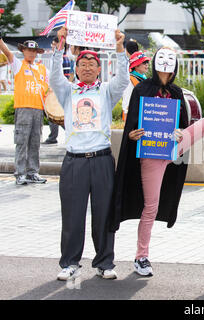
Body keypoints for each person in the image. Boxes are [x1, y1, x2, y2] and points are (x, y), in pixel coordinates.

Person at [110, 46, 204, 277]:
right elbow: (131, 125)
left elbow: (182, 123)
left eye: (169, 59)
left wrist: (181, 132)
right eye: (161, 58)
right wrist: (132, 134)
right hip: (150, 153)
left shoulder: (177, 92)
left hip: (171, 145)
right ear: (154, 63)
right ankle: (141, 257)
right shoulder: (141, 89)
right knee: (150, 207)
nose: (165, 63)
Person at [50, 26, 129, 281]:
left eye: (91, 64)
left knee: (104, 213)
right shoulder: (68, 91)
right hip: (74, 161)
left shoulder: (106, 91)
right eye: (82, 63)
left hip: (102, 160)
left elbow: (123, 80)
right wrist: (59, 46)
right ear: (75, 68)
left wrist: (119, 49)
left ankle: (105, 262)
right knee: (72, 215)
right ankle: (70, 262)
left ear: (98, 69)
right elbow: (53, 78)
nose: (86, 67)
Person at [0, 20, 49, 185]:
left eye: (34, 50)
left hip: (38, 109)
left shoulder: (42, 69)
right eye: (28, 50)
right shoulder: (18, 65)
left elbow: (49, 89)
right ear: (23, 51)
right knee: (21, 142)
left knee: (35, 142)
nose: (31, 53)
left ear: (37, 53)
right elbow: (7, 52)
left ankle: (32, 172)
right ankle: (20, 173)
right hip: (23, 109)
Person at [42, 36, 72, 145]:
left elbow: (59, 75)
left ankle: (53, 136)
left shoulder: (60, 58)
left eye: (54, 44)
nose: (52, 46)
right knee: (60, 114)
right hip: (61, 87)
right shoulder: (66, 57)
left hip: (58, 88)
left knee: (54, 113)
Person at [121, 51, 150, 122]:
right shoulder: (130, 80)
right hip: (134, 116)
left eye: (147, 62)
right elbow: (127, 100)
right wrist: (127, 116)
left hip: (144, 114)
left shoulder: (143, 78)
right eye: (144, 63)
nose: (146, 65)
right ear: (136, 65)